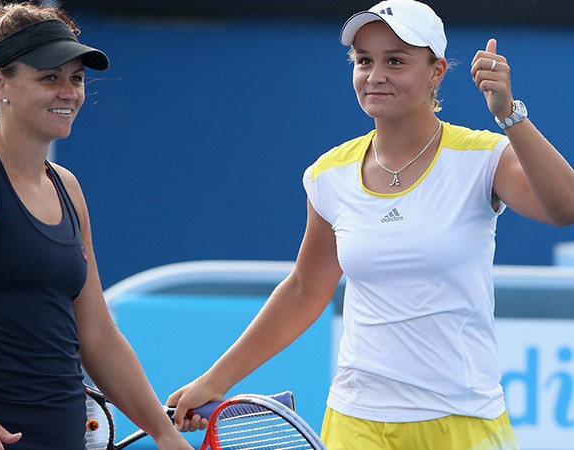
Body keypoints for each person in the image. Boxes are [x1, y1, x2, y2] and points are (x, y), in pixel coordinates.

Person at [166, 0, 574, 449]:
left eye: (395, 61)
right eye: (364, 61)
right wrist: (215, 380)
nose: (375, 75)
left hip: (464, 420)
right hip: (356, 421)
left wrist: (509, 114)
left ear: (436, 72)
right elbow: (305, 289)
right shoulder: (328, 174)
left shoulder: (483, 157)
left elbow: (564, 208)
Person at [0, 3, 193, 450]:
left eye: (76, 78)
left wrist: (164, 435)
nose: (68, 91)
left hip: (63, 435)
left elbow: (98, 334)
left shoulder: (67, 186)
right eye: (50, 77)